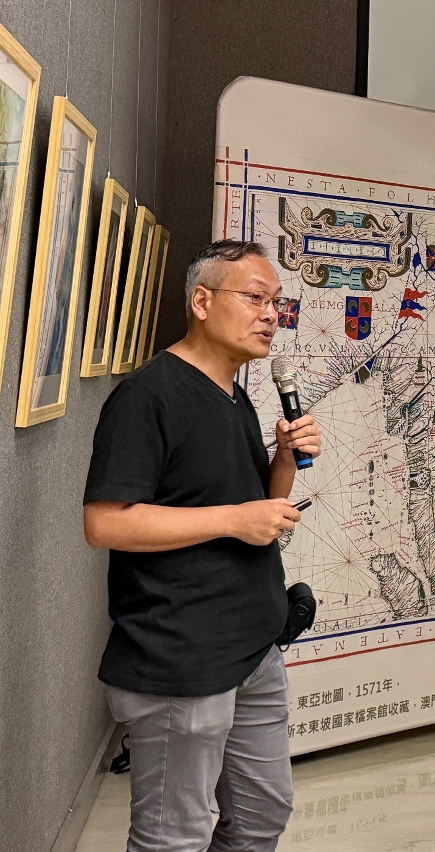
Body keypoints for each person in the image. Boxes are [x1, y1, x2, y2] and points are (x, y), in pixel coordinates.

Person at [83, 240, 322, 852]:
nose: (270, 314)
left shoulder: (233, 395)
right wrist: (234, 519)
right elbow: (106, 524)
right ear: (202, 302)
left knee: (262, 816)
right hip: (183, 659)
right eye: (255, 298)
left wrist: (284, 460)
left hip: (253, 647)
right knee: (175, 837)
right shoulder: (149, 395)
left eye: (276, 302)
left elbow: (252, 507)